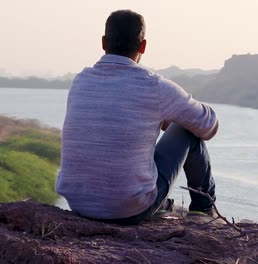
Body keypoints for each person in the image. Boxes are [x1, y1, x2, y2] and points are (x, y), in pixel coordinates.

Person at [56, 9, 218, 225]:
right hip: (128, 211)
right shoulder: (154, 86)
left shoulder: (81, 81)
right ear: (143, 46)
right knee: (185, 129)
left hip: (79, 205)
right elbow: (209, 126)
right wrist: (173, 118)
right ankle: (203, 211)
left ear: (104, 43)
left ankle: (161, 204)